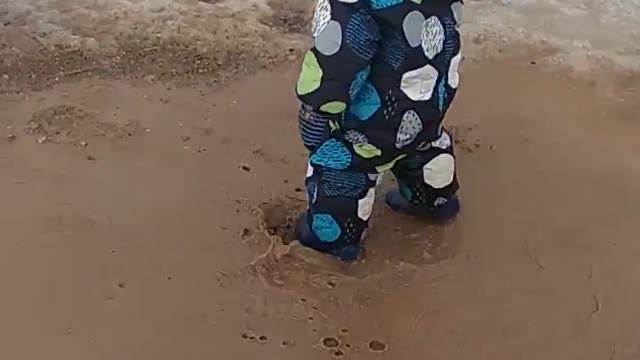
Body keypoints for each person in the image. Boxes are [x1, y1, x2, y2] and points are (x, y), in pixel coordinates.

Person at [295, 0, 463, 262]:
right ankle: (433, 199)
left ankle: (333, 236)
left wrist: (317, 108)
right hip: (430, 96)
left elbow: (338, 57)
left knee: (344, 164)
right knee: (423, 143)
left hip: (376, 116)